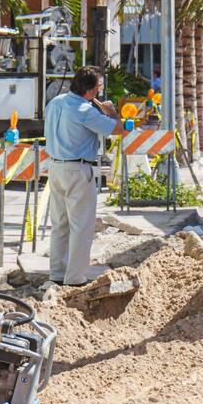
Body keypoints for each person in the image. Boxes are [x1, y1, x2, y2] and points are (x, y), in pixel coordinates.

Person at [45, 65, 129, 286]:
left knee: (60, 223)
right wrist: (112, 112)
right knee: (81, 225)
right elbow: (117, 129)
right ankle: (75, 277)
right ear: (93, 89)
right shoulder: (85, 110)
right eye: (99, 86)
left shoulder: (55, 102)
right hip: (78, 169)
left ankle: (57, 272)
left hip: (55, 167)